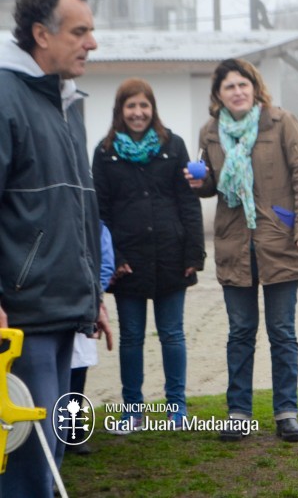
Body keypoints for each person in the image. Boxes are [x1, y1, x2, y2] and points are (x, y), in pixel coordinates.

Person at [0, 0, 112, 498]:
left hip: (65, 310)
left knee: (51, 455)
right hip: (21, 321)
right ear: (42, 35)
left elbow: (79, 206)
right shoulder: (5, 98)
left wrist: (94, 294)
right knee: (27, 461)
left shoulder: (67, 101)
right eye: (80, 31)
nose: (92, 42)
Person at [188, 58, 298, 443]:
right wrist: (199, 183)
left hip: (280, 239)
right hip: (234, 243)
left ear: (255, 87)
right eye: (229, 86)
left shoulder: (281, 123)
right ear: (219, 95)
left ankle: (286, 412)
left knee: (282, 332)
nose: (237, 91)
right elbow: (211, 183)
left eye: (243, 84)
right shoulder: (210, 132)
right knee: (240, 332)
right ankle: (239, 413)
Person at [93, 78, 205, 433]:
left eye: (144, 106)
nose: (138, 113)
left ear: (152, 109)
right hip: (129, 263)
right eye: (131, 106)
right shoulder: (105, 151)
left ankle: (176, 408)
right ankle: (132, 411)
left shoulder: (173, 146)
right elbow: (101, 211)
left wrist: (193, 252)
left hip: (171, 255)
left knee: (172, 334)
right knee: (131, 338)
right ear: (120, 111)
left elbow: (187, 201)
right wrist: (116, 256)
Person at [67, 221, 115, 455]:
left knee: (77, 375)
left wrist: (93, 293)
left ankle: (74, 433)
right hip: (49, 306)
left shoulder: (94, 224)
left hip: (82, 305)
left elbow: (105, 262)